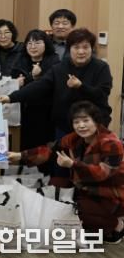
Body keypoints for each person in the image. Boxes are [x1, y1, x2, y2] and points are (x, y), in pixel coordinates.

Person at [0, 28, 113, 179]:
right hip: (64, 125)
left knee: (90, 167)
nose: (81, 51)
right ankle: (61, 190)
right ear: (69, 49)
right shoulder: (60, 68)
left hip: (93, 126)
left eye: (85, 47)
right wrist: (11, 97)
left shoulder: (101, 67)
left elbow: (102, 94)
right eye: (76, 47)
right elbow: (39, 86)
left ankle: (83, 191)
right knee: (60, 165)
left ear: (92, 49)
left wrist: (81, 86)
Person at [7, 101, 124, 244]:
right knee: (54, 185)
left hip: (111, 194)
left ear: (96, 121)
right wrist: (20, 156)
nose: (81, 125)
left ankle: (116, 226)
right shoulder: (74, 138)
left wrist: (73, 164)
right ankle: (93, 219)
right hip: (86, 188)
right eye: (76, 122)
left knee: (78, 211)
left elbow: (102, 174)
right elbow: (50, 150)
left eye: (86, 120)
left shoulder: (111, 142)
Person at [10, 29, 60, 151]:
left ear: (45, 44)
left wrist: (33, 77)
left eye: (37, 43)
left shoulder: (53, 61)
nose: (33, 47)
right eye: (29, 43)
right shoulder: (20, 59)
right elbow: (13, 81)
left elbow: (47, 86)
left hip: (45, 113)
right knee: (23, 146)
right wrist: (16, 83)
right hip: (23, 112)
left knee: (42, 148)